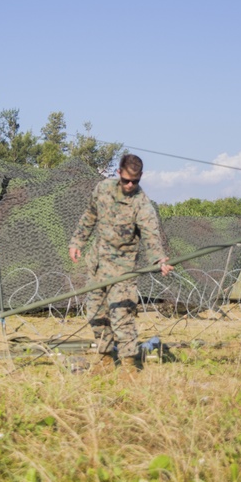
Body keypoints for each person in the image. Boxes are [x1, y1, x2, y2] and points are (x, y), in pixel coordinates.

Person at [69, 154, 174, 379]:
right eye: (126, 180)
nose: (129, 185)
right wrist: (78, 241)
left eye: (134, 181)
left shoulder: (141, 203)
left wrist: (160, 259)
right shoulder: (103, 189)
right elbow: (89, 215)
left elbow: (151, 234)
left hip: (123, 270)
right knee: (95, 314)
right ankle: (106, 359)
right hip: (98, 265)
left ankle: (129, 367)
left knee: (121, 316)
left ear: (141, 178)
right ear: (118, 173)